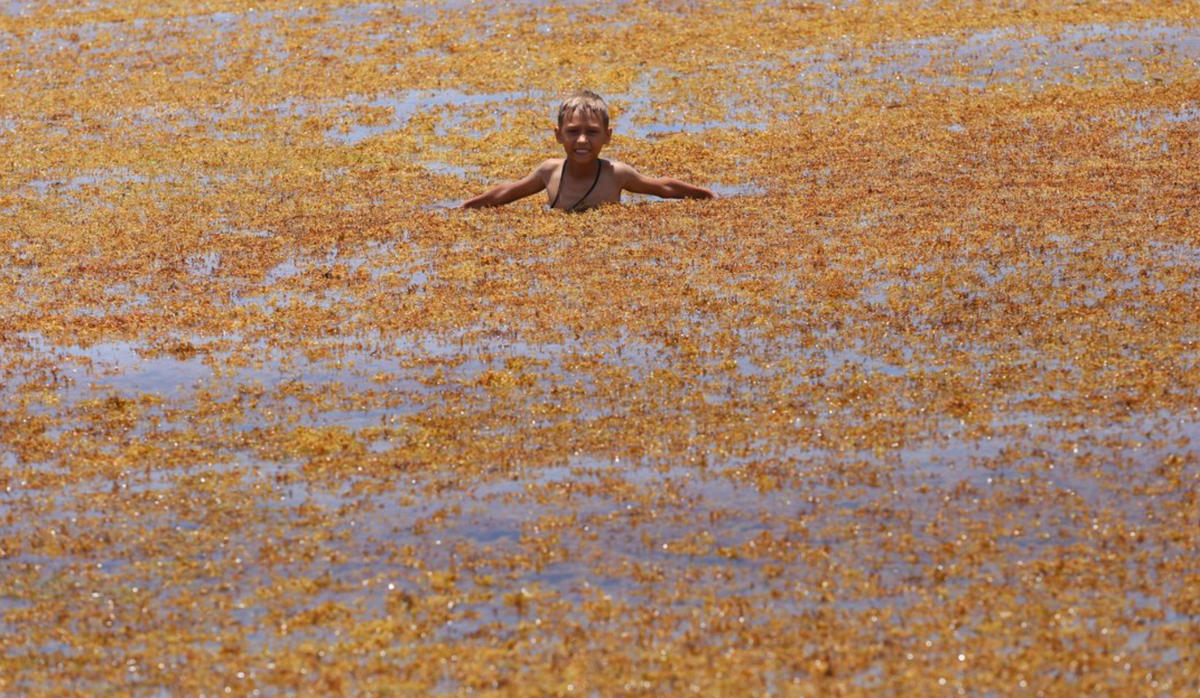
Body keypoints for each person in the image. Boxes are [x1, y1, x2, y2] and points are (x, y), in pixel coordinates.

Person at [461, 90, 715, 211]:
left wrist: (710, 198)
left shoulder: (617, 174)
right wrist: (463, 209)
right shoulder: (549, 172)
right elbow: (506, 193)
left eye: (592, 132)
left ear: (607, 136)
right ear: (559, 135)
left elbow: (663, 188)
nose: (582, 140)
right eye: (573, 131)